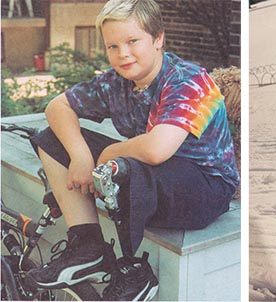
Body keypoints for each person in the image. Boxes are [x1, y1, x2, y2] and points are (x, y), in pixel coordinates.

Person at [25, 0, 239, 300]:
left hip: (205, 189)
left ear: (158, 39)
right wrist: (81, 156)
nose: (122, 54)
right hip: (153, 178)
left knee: (127, 167)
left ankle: (135, 271)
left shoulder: (189, 80)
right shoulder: (117, 83)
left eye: (132, 41)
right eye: (112, 46)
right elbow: (57, 106)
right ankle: (88, 246)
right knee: (52, 139)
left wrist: (105, 156)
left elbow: (156, 150)